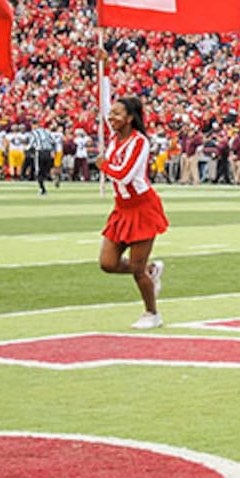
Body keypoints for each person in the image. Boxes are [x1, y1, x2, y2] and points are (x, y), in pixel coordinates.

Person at [97, 95, 167, 329]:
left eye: (117, 114)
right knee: (107, 263)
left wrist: (103, 165)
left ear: (129, 118)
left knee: (136, 270)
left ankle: (152, 313)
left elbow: (124, 174)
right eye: (111, 114)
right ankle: (152, 270)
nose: (111, 118)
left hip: (142, 207)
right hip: (122, 208)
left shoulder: (139, 142)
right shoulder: (114, 141)